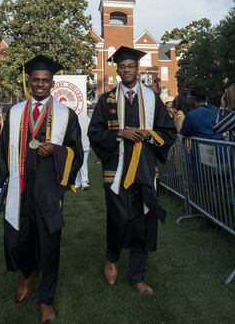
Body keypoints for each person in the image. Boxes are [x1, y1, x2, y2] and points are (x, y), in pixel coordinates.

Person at [0, 54, 83, 324]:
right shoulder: (16, 112)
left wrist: (56, 150)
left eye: (45, 81)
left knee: (49, 243)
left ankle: (46, 299)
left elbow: (77, 152)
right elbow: (2, 150)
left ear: (52, 84)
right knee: (18, 239)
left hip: (48, 191)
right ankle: (27, 276)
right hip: (19, 190)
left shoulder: (67, 115)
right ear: (29, 82)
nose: (40, 84)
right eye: (36, 80)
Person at [88, 46, 176, 295]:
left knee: (145, 221)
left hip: (145, 170)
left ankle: (137, 275)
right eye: (122, 66)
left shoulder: (151, 99)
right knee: (118, 219)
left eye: (131, 66)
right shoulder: (107, 101)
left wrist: (149, 135)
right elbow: (94, 133)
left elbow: (168, 131)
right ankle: (112, 259)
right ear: (118, 70)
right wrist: (120, 134)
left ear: (138, 69)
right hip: (116, 172)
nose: (127, 70)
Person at [76, 112, 90, 190]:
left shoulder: (88, 119)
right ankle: (78, 182)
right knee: (77, 162)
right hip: (78, 144)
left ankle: (84, 181)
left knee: (83, 162)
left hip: (85, 143)